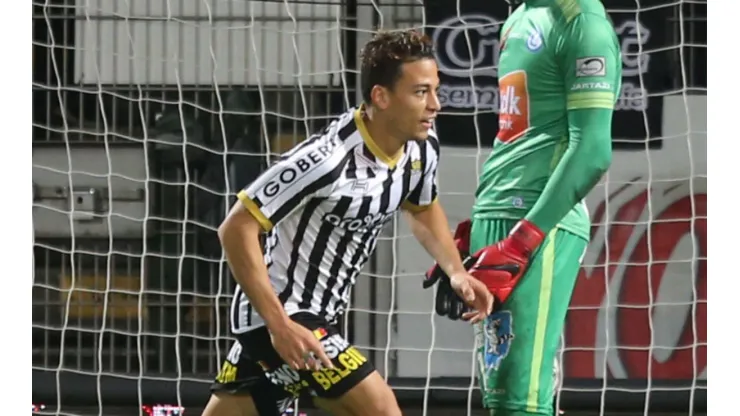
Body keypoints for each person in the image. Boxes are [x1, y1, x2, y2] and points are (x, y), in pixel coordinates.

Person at [202, 29, 494, 416]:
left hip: (315, 315)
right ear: (381, 96)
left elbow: (422, 208)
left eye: (435, 90)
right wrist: (280, 326)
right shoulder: (326, 161)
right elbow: (235, 228)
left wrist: (455, 272)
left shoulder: (422, 146)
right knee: (381, 410)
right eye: (421, 92)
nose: (435, 105)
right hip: (281, 316)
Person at [424, 0, 621, 415]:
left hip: (538, 226)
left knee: (520, 401)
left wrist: (521, 242)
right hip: (495, 217)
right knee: (504, 398)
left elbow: (593, 151)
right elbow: (518, 133)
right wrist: (478, 226)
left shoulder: (583, 23)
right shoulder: (519, 16)